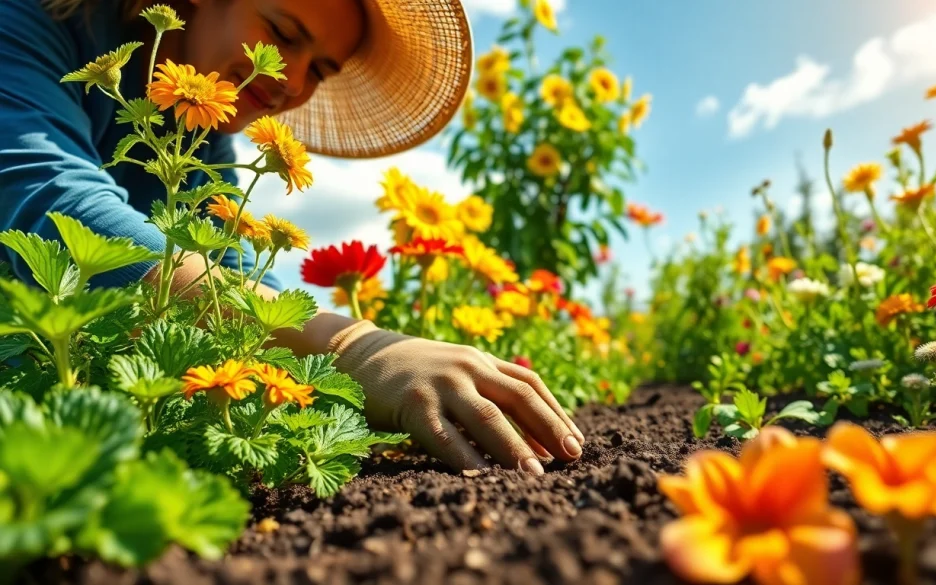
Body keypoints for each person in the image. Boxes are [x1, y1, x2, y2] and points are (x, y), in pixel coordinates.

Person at [0, 0, 585, 476]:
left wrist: (337, 356)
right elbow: (52, 205)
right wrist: (353, 349)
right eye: (281, 32)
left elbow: (246, 281)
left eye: (321, 70)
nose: (291, 81)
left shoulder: (206, 144)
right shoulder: (29, 20)